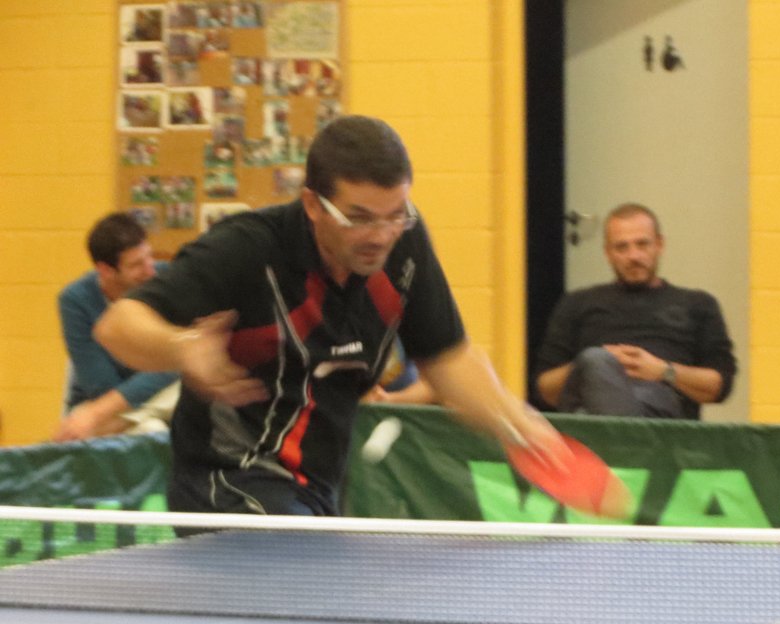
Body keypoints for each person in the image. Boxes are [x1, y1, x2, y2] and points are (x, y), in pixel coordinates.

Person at [94, 114, 560, 517]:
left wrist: (520, 427)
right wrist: (181, 349)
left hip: (317, 483)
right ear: (313, 204)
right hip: (227, 480)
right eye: (359, 217)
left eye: (395, 214)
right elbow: (117, 325)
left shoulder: (405, 246)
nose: (380, 235)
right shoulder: (247, 249)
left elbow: (447, 358)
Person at [533, 203, 736, 419]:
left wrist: (664, 371)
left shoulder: (697, 304)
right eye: (622, 247)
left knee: (600, 391)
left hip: (662, 406)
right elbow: (545, 389)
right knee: (595, 361)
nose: (634, 256)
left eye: (642, 244)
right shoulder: (577, 303)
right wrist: (591, 366)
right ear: (608, 253)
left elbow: (720, 386)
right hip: (594, 401)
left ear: (659, 245)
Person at [54, 213, 178, 442]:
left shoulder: (169, 280)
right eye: (137, 264)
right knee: (149, 430)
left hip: (144, 400)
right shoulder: (75, 301)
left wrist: (102, 415)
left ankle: (129, 422)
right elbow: (99, 385)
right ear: (105, 270)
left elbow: (175, 364)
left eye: (149, 257)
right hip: (109, 402)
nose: (150, 270)